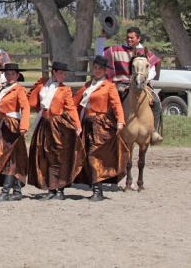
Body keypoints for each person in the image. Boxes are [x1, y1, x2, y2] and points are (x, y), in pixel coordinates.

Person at [73, 55, 129, 202]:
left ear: (105, 70)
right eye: (95, 68)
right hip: (87, 123)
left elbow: (116, 105)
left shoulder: (109, 86)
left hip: (101, 124)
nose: (97, 71)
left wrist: (120, 121)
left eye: (100, 68)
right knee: (86, 154)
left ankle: (98, 189)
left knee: (94, 155)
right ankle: (95, 187)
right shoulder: (87, 85)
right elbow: (75, 103)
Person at [96, 27, 163, 144]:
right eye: (127, 37)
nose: (129, 39)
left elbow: (152, 69)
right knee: (112, 100)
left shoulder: (146, 52)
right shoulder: (116, 50)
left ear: (138, 38)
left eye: (132, 37)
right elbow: (99, 54)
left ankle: (153, 131)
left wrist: (144, 79)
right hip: (122, 82)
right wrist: (101, 38)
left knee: (156, 102)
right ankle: (110, 130)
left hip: (143, 83)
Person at [27, 62, 84, 200]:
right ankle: (49, 187)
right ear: (53, 72)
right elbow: (31, 101)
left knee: (59, 155)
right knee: (44, 154)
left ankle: (60, 189)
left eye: (64, 74)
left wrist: (77, 124)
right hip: (44, 122)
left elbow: (70, 108)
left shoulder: (65, 90)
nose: (62, 76)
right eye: (60, 73)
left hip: (57, 123)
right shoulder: (43, 86)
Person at [0, 63, 30, 203]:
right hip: (2, 124)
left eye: (12, 74)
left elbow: (26, 107)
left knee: (8, 157)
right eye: (8, 74)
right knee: (10, 157)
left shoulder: (19, 90)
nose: (10, 76)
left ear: (17, 76)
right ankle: (16, 191)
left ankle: (5, 191)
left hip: (12, 125)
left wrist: (23, 126)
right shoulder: (4, 89)